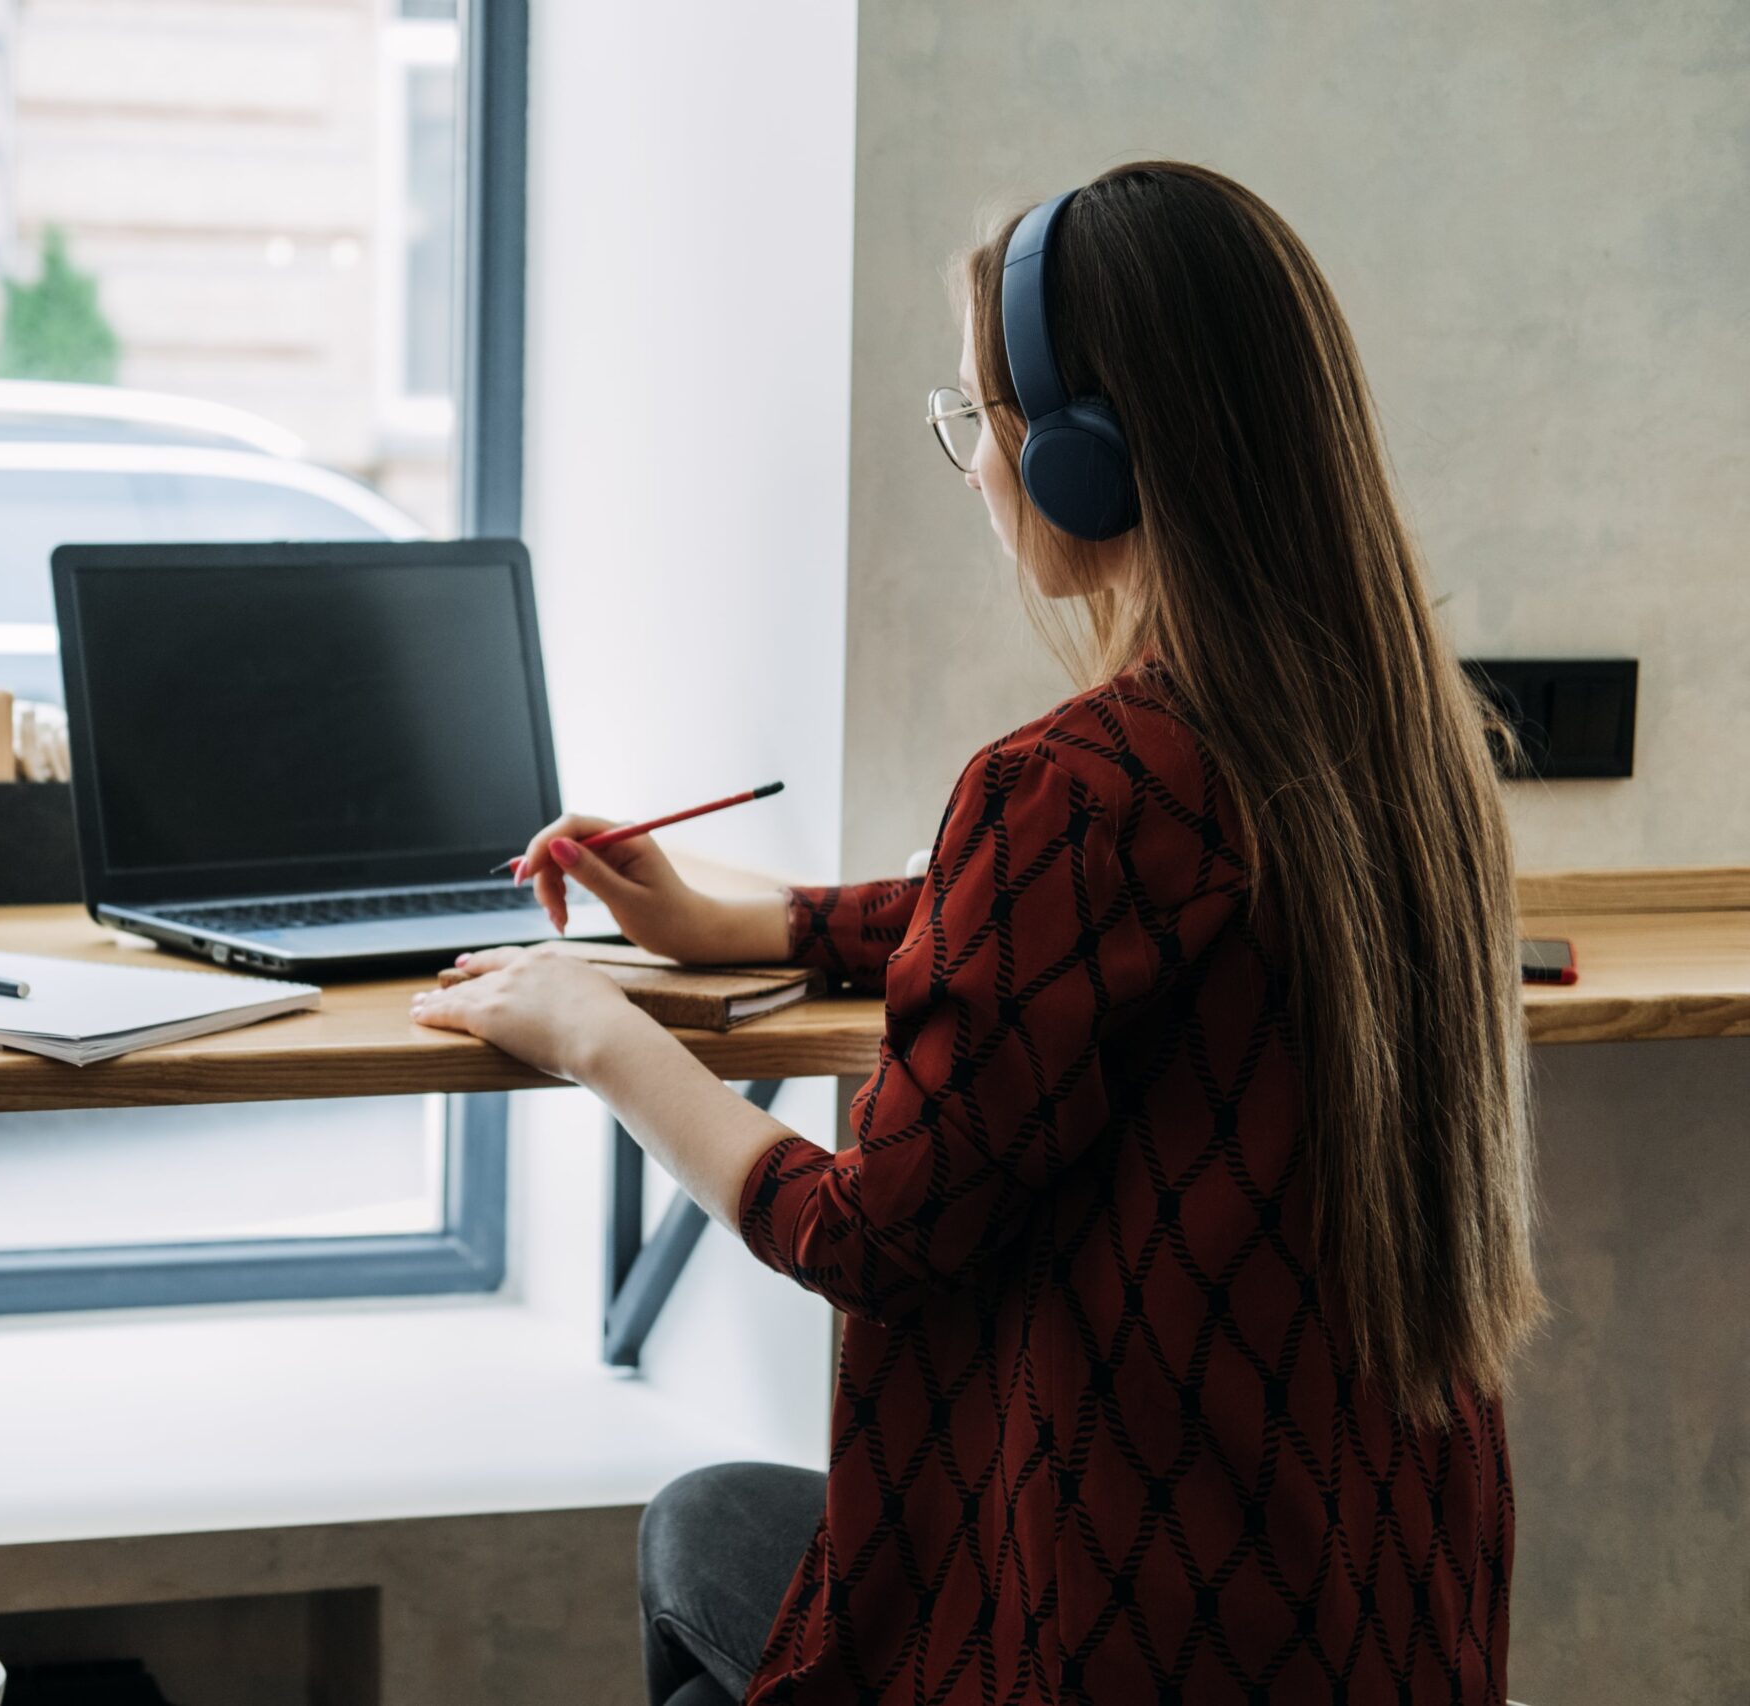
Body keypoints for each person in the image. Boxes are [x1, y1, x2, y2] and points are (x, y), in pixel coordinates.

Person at [409, 161, 1541, 1705]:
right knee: (725, 1530)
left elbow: (873, 1232)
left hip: (1119, 1635)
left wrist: (599, 1030)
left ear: (1087, 460)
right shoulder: (1405, 758)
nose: (974, 468)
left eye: (976, 421)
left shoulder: (1070, 786)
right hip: (1375, 1623)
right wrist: (755, 920)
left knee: (708, 1537)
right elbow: (1101, 925)